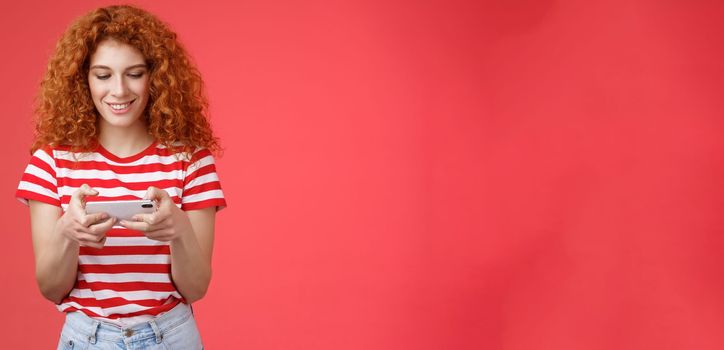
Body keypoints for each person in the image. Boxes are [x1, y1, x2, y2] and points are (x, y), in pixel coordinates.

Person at [15, 5, 226, 349]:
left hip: (171, 337)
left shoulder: (191, 160)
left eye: (134, 73)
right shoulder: (50, 161)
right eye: (103, 75)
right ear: (82, 79)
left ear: (155, 76)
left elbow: (195, 289)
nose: (119, 91)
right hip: (85, 339)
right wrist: (67, 232)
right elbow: (51, 288)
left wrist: (180, 230)